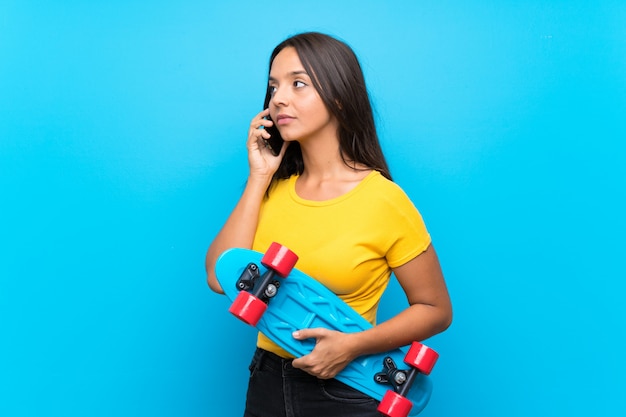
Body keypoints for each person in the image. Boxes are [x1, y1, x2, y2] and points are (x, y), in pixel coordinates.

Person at [205, 32, 452, 417]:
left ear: (338, 95)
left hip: (349, 388)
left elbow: (435, 308)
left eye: (297, 83)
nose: (278, 99)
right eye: (273, 87)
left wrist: (355, 345)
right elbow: (221, 278)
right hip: (266, 382)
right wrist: (259, 176)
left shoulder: (383, 200)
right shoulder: (271, 191)